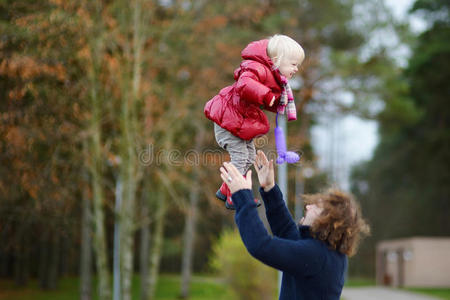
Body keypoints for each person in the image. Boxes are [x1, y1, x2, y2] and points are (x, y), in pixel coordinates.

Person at [219, 150, 370, 300]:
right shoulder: (325, 252)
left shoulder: (317, 256)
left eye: (316, 207)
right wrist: (269, 188)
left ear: (327, 221)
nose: (308, 207)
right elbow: (287, 232)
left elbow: (261, 245)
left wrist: (243, 197)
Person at [204, 34, 305, 209]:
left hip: (236, 121)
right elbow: (245, 85)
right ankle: (236, 195)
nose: (296, 69)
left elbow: (266, 100)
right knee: (241, 156)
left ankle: (224, 189)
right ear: (276, 60)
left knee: (249, 156)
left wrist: (274, 101)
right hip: (227, 120)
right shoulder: (256, 68)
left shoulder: (274, 79)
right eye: (293, 64)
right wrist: (266, 95)